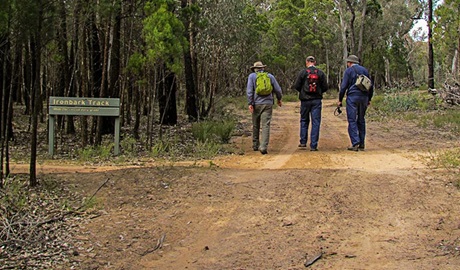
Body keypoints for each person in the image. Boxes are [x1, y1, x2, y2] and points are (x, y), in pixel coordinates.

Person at [337, 55, 374, 151]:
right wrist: (369, 98)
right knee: (361, 120)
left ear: (349, 63)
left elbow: (343, 87)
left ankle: (355, 142)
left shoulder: (348, 71)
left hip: (352, 98)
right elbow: (370, 85)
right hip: (364, 98)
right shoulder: (365, 70)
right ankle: (362, 143)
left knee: (352, 120)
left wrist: (340, 99)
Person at [292, 56, 328, 151]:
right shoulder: (320, 73)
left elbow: (296, 86)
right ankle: (313, 145)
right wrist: (319, 92)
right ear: (314, 62)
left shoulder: (303, 72)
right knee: (316, 122)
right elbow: (325, 87)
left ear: (307, 62)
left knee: (304, 120)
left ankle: (303, 142)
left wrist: (303, 91)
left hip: (305, 100)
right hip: (316, 100)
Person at [246, 61, 283, 155]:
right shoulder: (270, 76)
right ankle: (263, 147)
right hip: (268, 104)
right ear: (263, 68)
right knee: (266, 125)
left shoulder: (252, 76)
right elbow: (278, 89)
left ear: (254, 69)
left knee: (255, 125)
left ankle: (255, 145)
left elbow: (249, 91)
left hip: (256, 104)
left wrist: (250, 103)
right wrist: (279, 99)